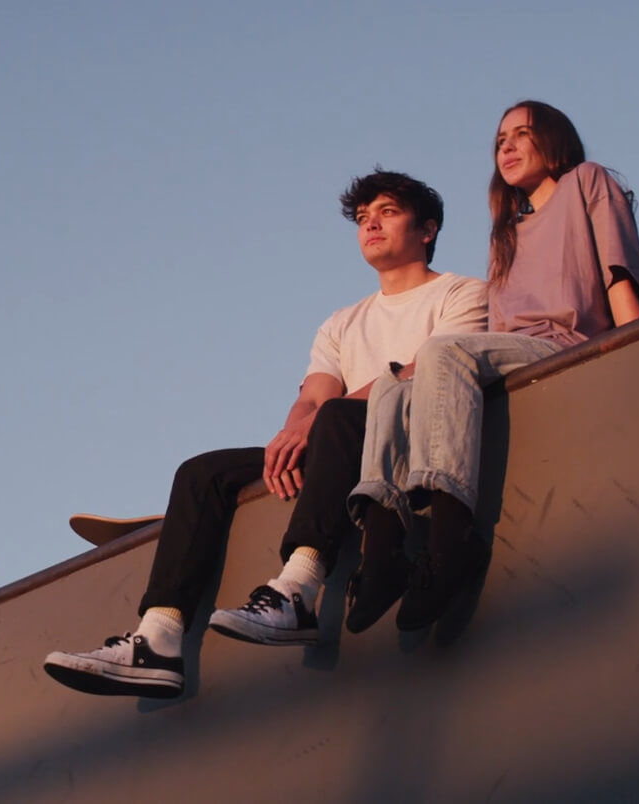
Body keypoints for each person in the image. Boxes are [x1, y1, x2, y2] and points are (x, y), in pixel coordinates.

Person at [43, 170, 489, 698]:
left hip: (407, 445)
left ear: (428, 229)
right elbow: (313, 395)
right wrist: (291, 433)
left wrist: (320, 422)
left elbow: (420, 373)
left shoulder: (463, 292)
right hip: (337, 440)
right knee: (204, 472)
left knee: (338, 419)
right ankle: (158, 640)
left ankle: (297, 592)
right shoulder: (342, 322)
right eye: (363, 219)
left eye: (387, 213)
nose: (370, 225)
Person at [346, 100, 639, 634]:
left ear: (553, 139)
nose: (505, 147)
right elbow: (496, 331)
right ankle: (383, 550)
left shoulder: (587, 181)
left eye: (520, 135)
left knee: (444, 349)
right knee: (392, 387)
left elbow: (617, 270)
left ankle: (450, 542)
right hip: (506, 358)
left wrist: (638, 348)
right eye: (499, 140)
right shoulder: (506, 230)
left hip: (566, 343)